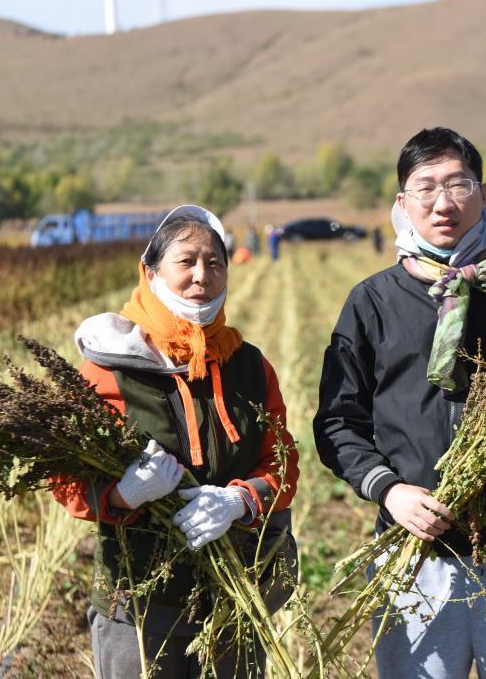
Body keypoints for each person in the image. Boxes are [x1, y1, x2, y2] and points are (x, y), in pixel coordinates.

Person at [314, 127, 486, 679]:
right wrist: (387, 491)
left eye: (458, 184)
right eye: (426, 188)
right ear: (402, 203)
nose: (443, 203)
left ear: (483, 195)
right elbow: (338, 423)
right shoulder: (373, 302)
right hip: (414, 555)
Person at [52, 205, 299, 678]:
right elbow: (65, 481)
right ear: (151, 271)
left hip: (235, 595)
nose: (201, 275)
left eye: (214, 262)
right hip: (141, 602)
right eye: (186, 261)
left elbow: (282, 466)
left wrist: (238, 501)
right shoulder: (108, 368)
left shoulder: (248, 365)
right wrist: (125, 494)